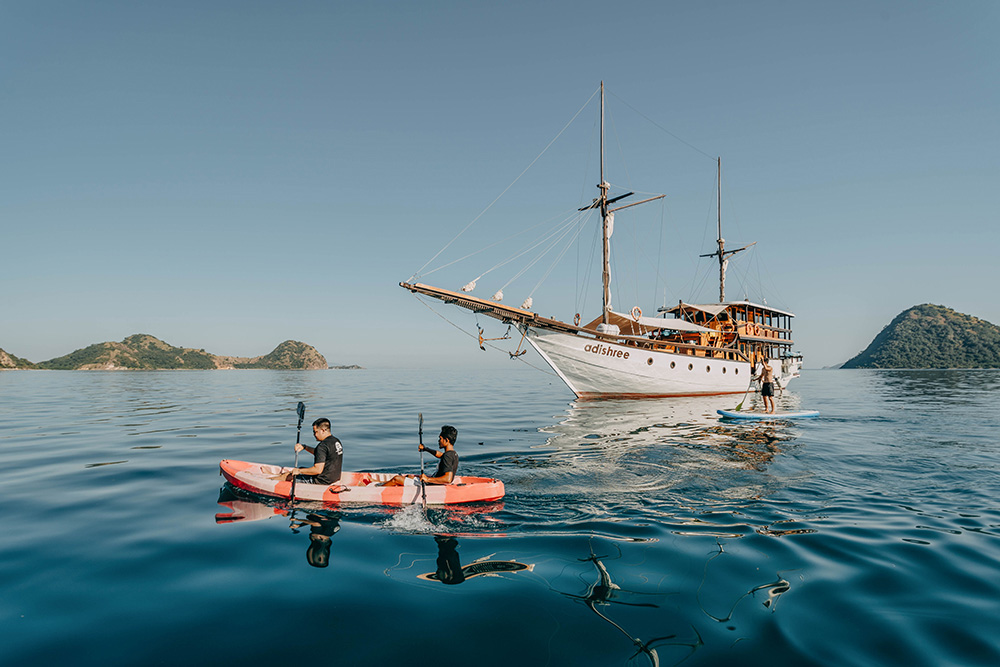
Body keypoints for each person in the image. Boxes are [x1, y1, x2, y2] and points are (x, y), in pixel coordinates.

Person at [380, 425, 459, 486]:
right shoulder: (452, 454)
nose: (438, 441)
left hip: (431, 485)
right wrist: (426, 449)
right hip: (433, 482)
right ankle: (378, 482)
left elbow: (448, 479)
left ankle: (377, 489)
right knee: (409, 476)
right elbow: (441, 455)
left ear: (446, 440)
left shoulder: (447, 456)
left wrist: (427, 479)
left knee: (396, 479)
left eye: (440, 438)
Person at [278, 417, 343, 485]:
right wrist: (305, 447)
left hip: (321, 481)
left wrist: (299, 471)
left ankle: (269, 482)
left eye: (315, 432)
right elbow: (320, 454)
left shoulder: (322, 446)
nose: (314, 435)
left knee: (287, 476)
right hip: (333, 478)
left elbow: (317, 470)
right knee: (300, 468)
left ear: (323, 430)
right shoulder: (336, 441)